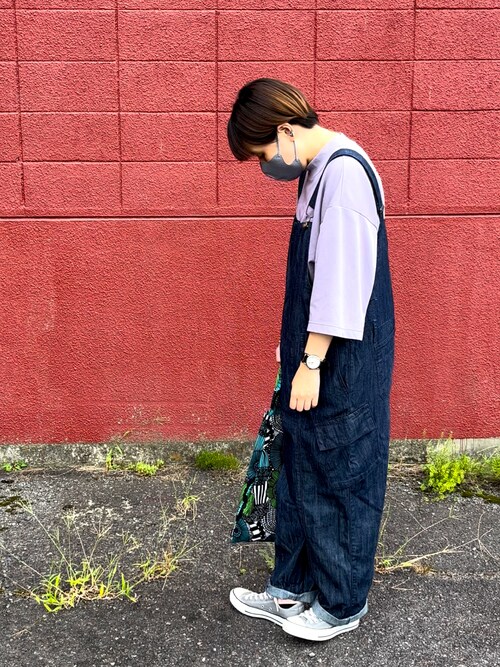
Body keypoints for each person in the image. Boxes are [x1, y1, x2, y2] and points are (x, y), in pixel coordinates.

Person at [226, 78, 396, 642]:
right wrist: (293, 353)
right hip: (314, 352)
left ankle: (341, 605)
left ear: (284, 130)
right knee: (300, 466)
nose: (266, 167)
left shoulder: (343, 174)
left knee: (341, 471)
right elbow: (311, 276)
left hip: (342, 360)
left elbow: (341, 284)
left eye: (262, 154)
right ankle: (291, 588)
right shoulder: (315, 171)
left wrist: (313, 362)